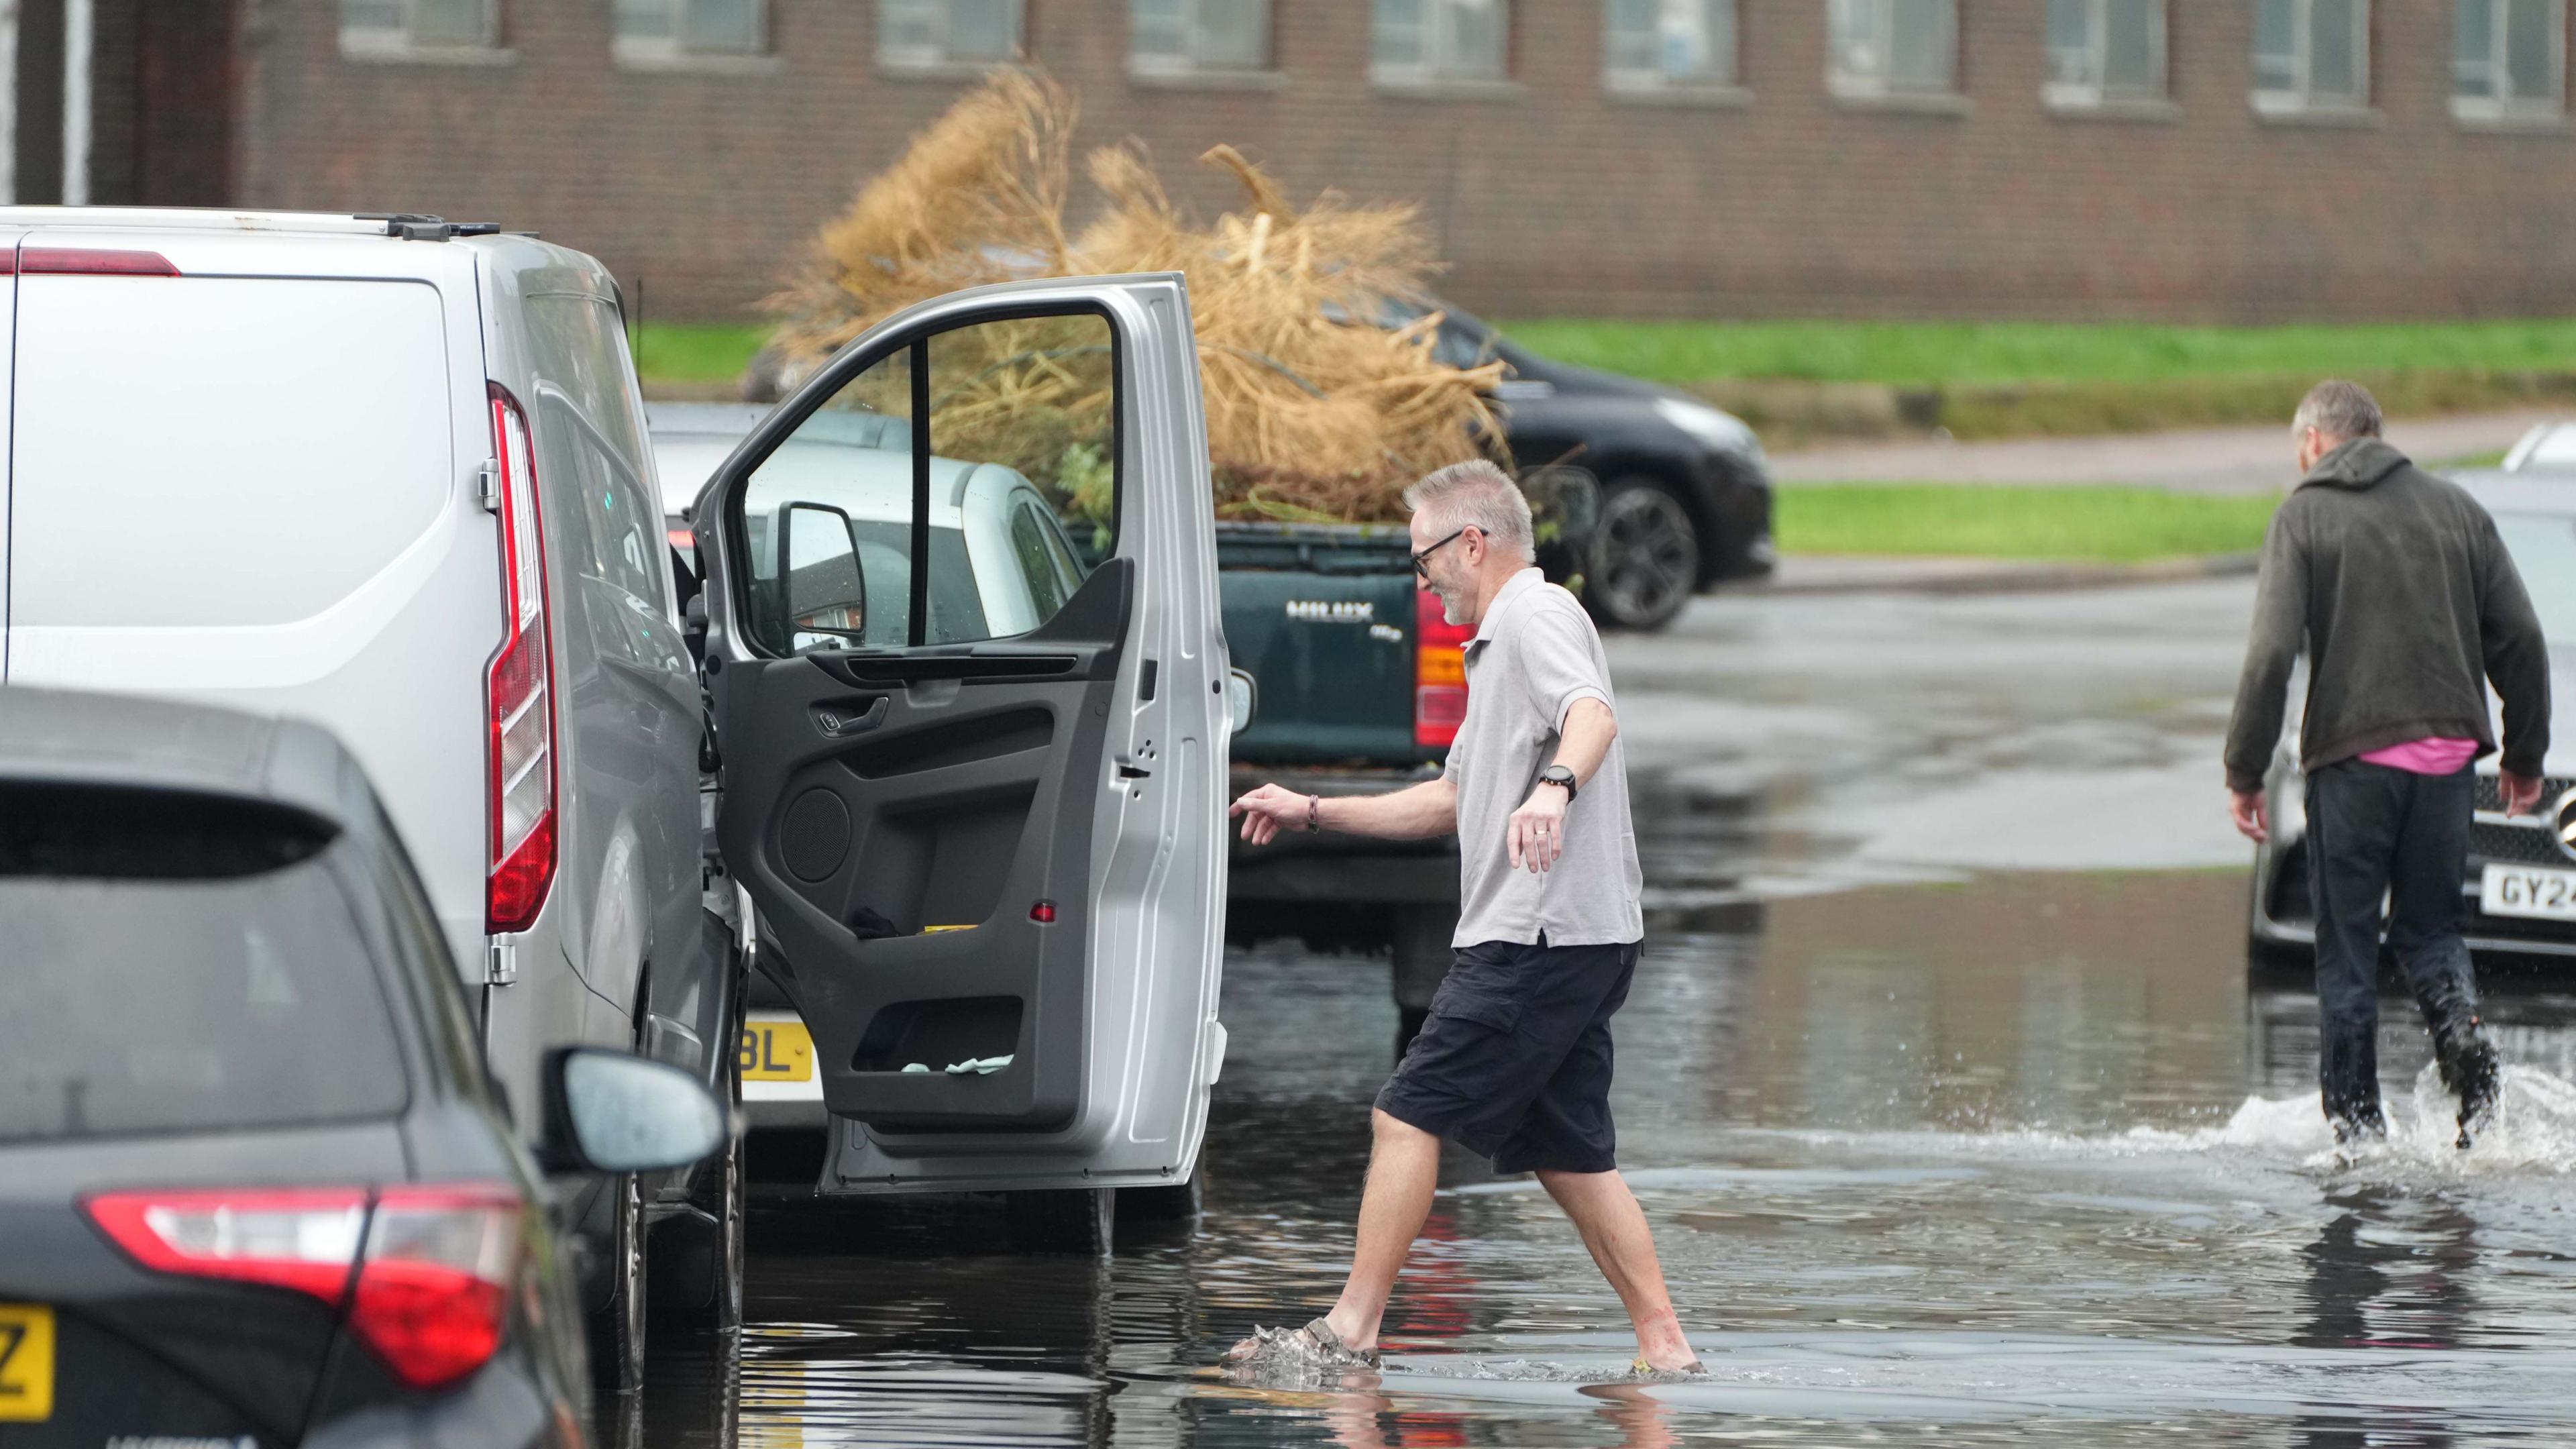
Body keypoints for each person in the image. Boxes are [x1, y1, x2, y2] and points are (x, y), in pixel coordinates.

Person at [1225, 460, 1700, 1377]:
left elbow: (1593, 715)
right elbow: (1448, 803)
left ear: (1472, 544)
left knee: (1406, 1117)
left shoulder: (1536, 616)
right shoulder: (1497, 646)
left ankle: (1350, 1330)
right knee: (1570, 1156)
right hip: (1575, 935)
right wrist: (1310, 812)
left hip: (1537, 932)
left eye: (1424, 560)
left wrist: (1556, 791)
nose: (1422, 580)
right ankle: (1666, 1346)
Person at [2224, 381, 2552, 1146]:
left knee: (2347, 950)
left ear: (2312, 443)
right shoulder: (2456, 510)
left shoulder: (2304, 514)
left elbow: (2271, 654)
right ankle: (2466, 1049)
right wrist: (2525, 755)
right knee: (2432, 932)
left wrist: (2244, 771)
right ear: (2377, 434)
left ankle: (2360, 1139)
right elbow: (2522, 639)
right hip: (2446, 763)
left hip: (2352, 763)